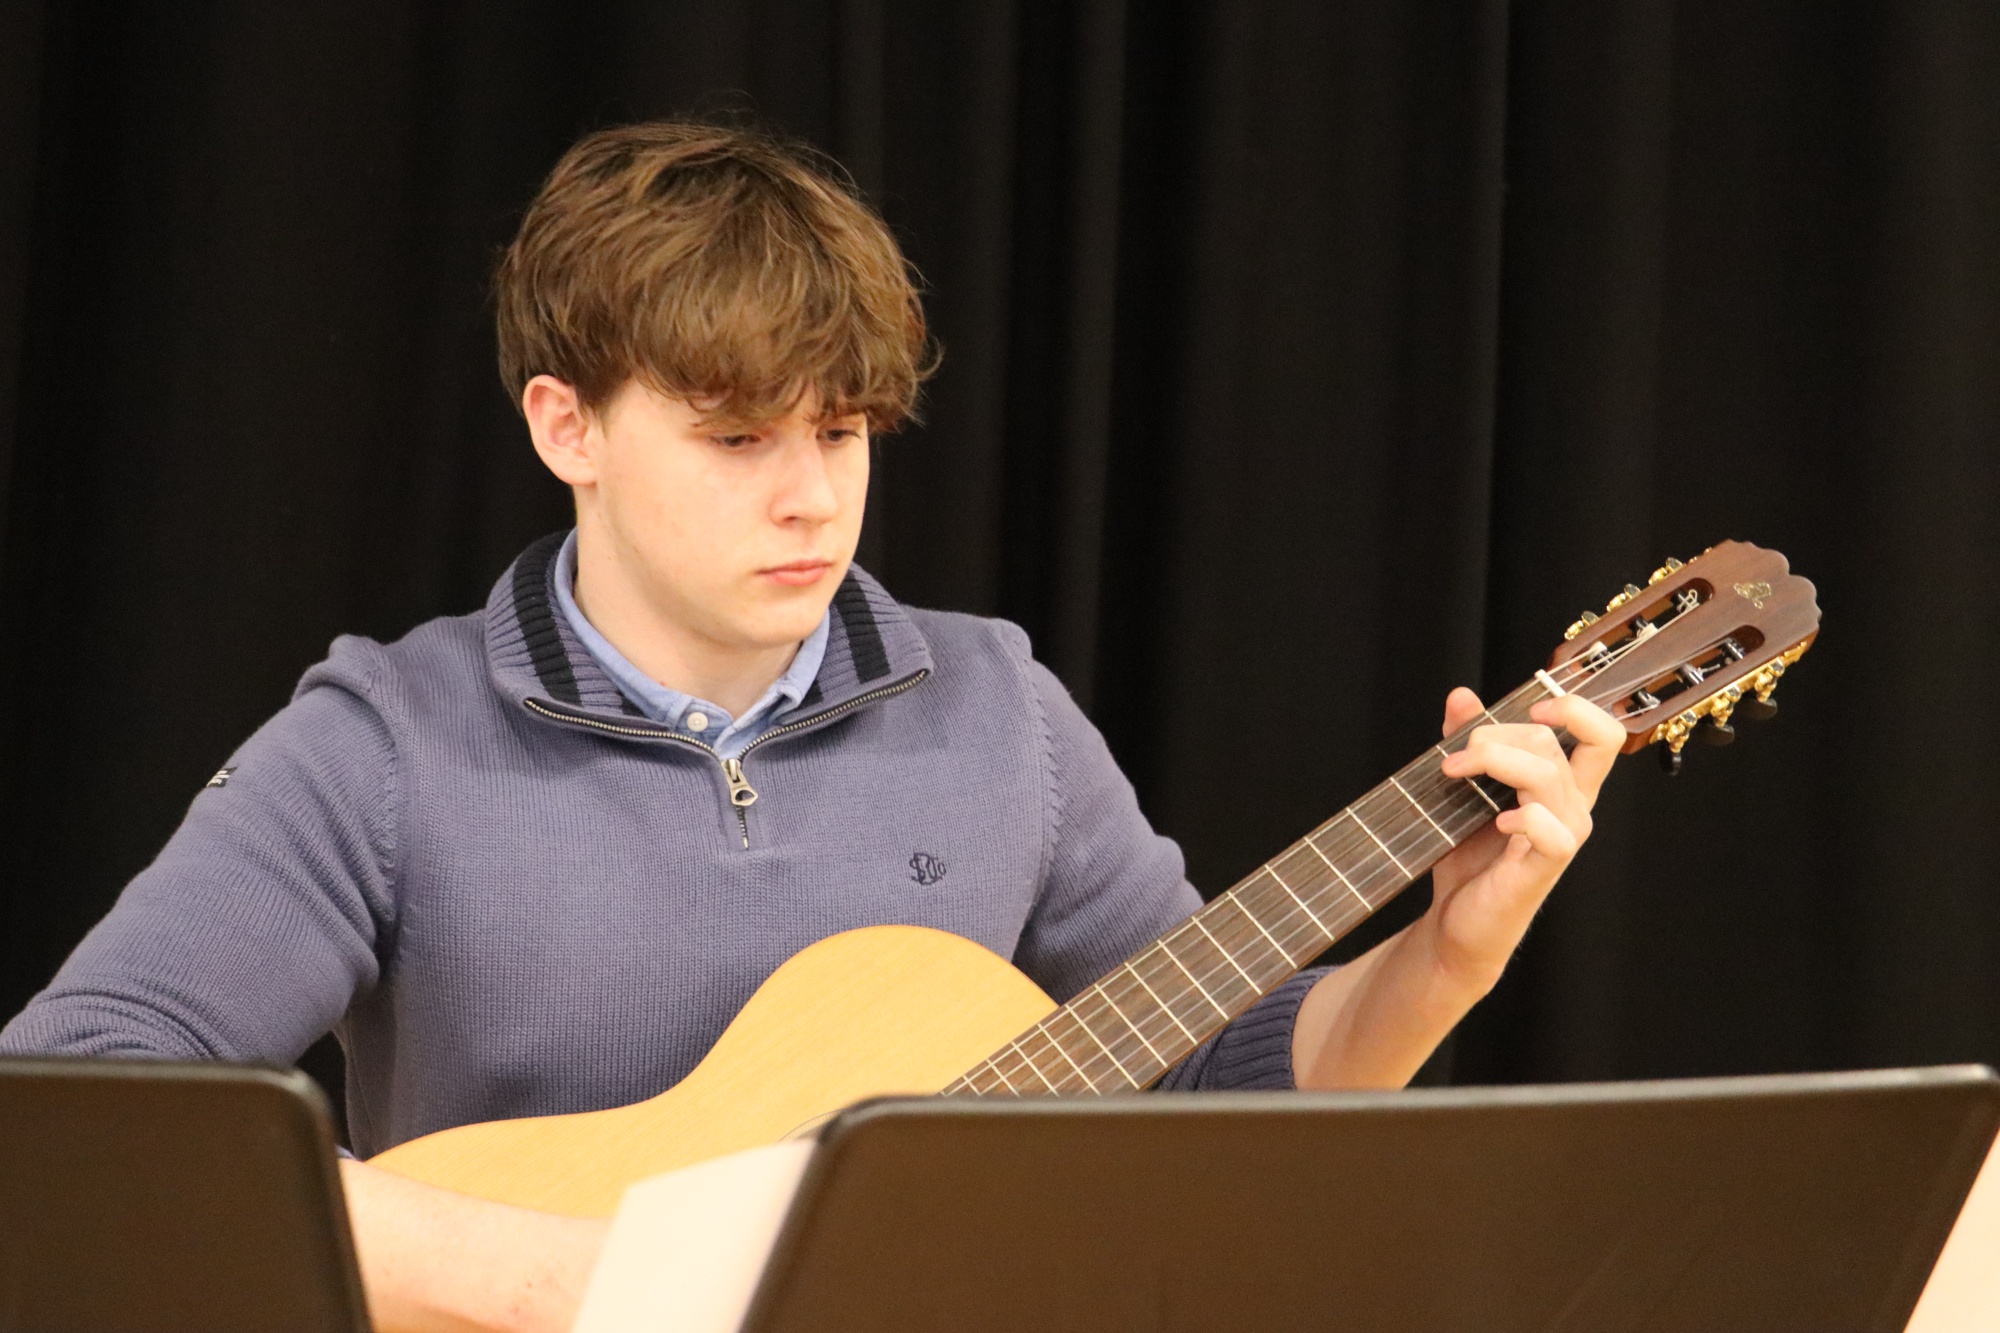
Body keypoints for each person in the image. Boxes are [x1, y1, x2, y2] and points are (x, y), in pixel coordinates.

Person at [0, 121, 1625, 1333]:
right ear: (566, 424)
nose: (812, 494)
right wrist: (589, 1279)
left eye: (845, 430)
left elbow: (1225, 1097)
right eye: (735, 436)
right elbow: (78, 1122)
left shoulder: (1001, 712)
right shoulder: (385, 746)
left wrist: (1445, 958)